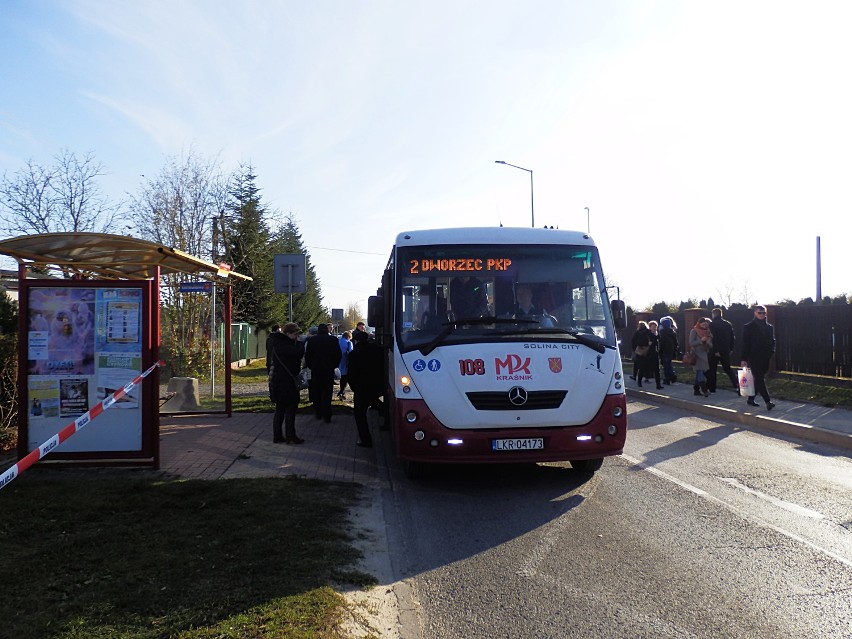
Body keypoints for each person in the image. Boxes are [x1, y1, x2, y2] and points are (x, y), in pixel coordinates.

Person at [267, 322, 305, 444]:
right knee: (290, 409)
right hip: (286, 382)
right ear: (288, 333)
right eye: (295, 334)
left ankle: (277, 436)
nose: (297, 336)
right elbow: (297, 354)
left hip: (279, 381)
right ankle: (290, 436)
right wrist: (300, 343)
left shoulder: (278, 343)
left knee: (280, 409)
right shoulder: (286, 345)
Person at [347, 330, 384, 447]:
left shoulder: (353, 354)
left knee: (359, 415)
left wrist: (354, 387)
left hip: (361, 388)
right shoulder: (376, 351)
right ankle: (386, 422)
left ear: (356, 340)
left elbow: (351, 374)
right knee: (378, 405)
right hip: (376, 386)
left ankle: (366, 440)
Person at [740, 305, 776, 409]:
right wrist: (744, 358)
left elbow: (773, 341)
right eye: (760, 312)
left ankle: (751, 399)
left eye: (764, 313)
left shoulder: (769, 327)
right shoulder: (749, 326)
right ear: (755, 313)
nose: (762, 315)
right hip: (753, 356)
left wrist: (771, 351)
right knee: (759, 378)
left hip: (765, 356)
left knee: (759, 378)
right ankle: (768, 402)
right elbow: (745, 343)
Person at [304, 323, 341, 422]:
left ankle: (318, 412)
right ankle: (327, 414)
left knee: (317, 391)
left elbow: (307, 355)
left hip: (316, 370)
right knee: (327, 392)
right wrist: (334, 366)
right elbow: (338, 354)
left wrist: (311, 366)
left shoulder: (312, 340)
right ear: (327, 330)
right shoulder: (333, 340)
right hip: (328, 370)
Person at [708, 307, 739, 394]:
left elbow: (714, 338)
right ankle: (737, 385)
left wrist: (715, 350)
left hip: (715, 350)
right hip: (726, 350)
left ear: (714, 314)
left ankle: (712, 388)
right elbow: (732, 337)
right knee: (728, 369)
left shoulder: (712, 324)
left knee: (712, 369)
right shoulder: (728, 324)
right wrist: (731, 348)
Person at [688, 317, 714, 397]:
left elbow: (711, 345)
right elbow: (691, 342)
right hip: (697, 355)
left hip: (704, 354)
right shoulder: (694, 331)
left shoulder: (708, 333)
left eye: (706, 324)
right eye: (703, 324)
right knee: (700, 372)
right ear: (699, 324)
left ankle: (696, 390)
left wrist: (707, 342)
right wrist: (701, 341)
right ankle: (704, 390)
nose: (704, 325)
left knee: (699, 372)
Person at [658, 316, 679, 385]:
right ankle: (672, 377)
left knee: (665, 365)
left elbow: (661, 343)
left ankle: (668, 379)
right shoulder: (672, 332)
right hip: (671, 350)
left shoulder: (662, 332)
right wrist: (675, 349)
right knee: (669, 364)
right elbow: (676, 342)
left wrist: (660, 351)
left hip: (664, 351)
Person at [630, 321, 652, 386]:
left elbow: (633, 341)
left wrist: (635, 349)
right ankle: (647, 377)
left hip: (639, 350)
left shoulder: (637, 333)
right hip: (648, 351)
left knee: (638, 365)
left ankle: (637, 379)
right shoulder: (648, 332)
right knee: (646, 365)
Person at [645, 320, 663, 389]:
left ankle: (658, 385)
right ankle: (643, 379)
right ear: (650, 327)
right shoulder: (648, 334)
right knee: (647, 368)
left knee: (657, 370)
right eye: (653, 327)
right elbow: (643, 342)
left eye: (656, 326)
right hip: (648, 354)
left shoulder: (657, 334)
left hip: (655, 354)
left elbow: (659, 343)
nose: (655, 328)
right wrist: (648, 343)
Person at [337, 330, 353, 399]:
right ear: (349, 337)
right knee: (345, 378)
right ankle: (342, 391)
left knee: (341, 378)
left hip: (338, 362)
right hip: (346, 362)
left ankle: (341, 391)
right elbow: (351, 353)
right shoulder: (349, 343)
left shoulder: (338, 341)